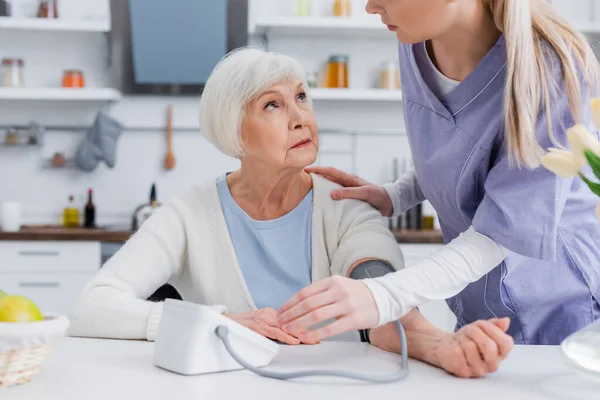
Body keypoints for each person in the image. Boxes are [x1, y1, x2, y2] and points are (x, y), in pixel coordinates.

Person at [68, 47, 513, 378]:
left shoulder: (343, 204)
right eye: (272, 104)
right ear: (234, 131)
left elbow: (379, 296)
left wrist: (444, 346)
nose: (301, 116)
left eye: (301, 97)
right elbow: (92, 307)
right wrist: (210, 320)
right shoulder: (190, 212)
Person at [277, 0, 600, 346]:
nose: (370, 7)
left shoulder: (552, 69)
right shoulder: (414, 39)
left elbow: (506, 228)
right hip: (479, 306)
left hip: (562, 310)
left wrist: (384, 295)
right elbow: (462, 145)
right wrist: (397, 194)